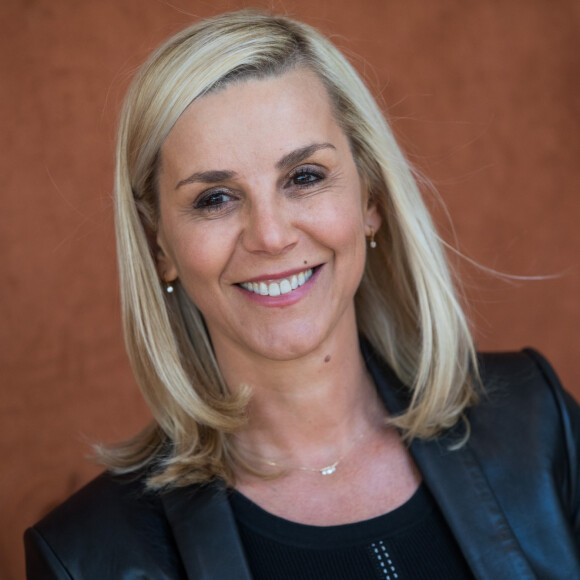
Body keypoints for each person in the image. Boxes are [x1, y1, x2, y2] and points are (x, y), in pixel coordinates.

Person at [24, 9, 579, 579]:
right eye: (215, 198)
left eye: (305, 177)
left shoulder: (537, 424)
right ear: (158, 243)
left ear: (371, 199)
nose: (270, 235)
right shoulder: (87, 556)